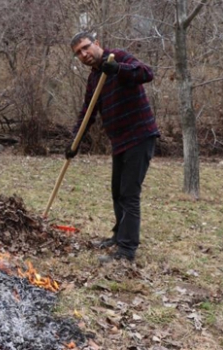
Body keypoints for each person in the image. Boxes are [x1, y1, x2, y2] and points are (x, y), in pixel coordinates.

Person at [66, 31, 160, 263]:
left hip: (140, 135)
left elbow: (147, 73)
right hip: (119, 141)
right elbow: (88, 113)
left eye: (86, 47)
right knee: (117, 192)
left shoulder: (118, 57)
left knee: (129, 194)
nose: (84, 54)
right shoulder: (93, 79)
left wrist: (118, 69)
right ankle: (119, 237)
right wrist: (74, 142)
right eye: (78, 53)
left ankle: (127, 250)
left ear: (97, 44)